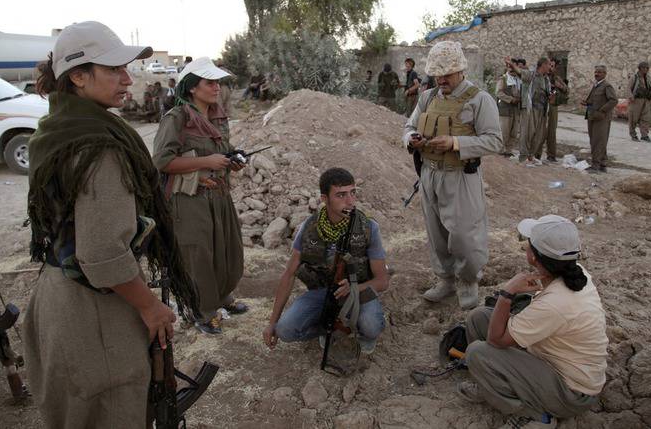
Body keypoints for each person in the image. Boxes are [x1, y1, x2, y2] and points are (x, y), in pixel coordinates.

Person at [23, 21, 200, 428]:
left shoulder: (56, 131)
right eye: (114, 70)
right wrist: (150, 307)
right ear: (79, 77)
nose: (127, 79)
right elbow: (102, 254)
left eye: (128, 68)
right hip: (93, 314)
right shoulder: (100, 147)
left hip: (58, 297)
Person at [457, 215, 608, 429]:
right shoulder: (576, 272)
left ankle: (534, 414)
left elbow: (496, 339)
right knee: (478, 318)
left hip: (572, 392)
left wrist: (507, 293)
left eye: (528, 244)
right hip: (554, 362)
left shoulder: (555, 303)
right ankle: (490, 383)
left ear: (533, 257)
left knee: (477, 352)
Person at [403, 41, 502, 309]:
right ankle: (445, 280)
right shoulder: (428, 97)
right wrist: (411, 139)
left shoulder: (479, 100)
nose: (442, 79)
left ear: (461, 71)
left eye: (447, 74)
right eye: (438, 74)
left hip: (460, 177)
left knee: (465, 236)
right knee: (436, 234)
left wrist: (456, 143)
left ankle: (468, 282)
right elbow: (410, 125)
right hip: (429, 175)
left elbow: (495, 141)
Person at [153, 57, 248, 335]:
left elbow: (223, 148)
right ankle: (202, 311)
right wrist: (206, 162)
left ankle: (222, 297)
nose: (216, 87)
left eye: (217, 82)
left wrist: (233, 158)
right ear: (192, 88)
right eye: (210, 82)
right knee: (199, 256)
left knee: (225, 249)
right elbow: (161, 161)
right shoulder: (177, 118)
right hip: (190, 199)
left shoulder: (217, 115)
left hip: (218, 195)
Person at [262, 168, 389, 354]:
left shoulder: (368, 227)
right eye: (341, 195)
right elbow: (289, 274)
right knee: (285, 330)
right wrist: (272, 322)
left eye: (353, 193)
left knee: (371, 325)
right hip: (323, 291)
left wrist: (354, 288)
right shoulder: (310, 226)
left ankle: (363, 335)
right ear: (324, 199)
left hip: (359, 292)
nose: (350, 201)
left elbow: (382, 281)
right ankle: (328, 328)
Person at [506, 57, 552, 167]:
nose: (550, 67)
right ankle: (523, 157)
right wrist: (511, 64)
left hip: (542, 110)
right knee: (527, 133)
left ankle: (531, 156)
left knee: (538, 135)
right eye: (549, 65)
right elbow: (519, 71)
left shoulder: (546, 79)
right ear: (543, 65)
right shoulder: (531, 75)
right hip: (530, 109)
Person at [581, 66, 617, 173]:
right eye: (596, 72)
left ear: (605, 74)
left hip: (601, 118)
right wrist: (587, 103)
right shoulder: (596, 86)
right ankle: (602, 163)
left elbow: (613, 100)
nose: (597, 74)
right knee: (596, 141)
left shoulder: (607, 86)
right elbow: (595, 100)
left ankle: (596, 164)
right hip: (593, 116)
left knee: (598, 141)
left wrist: (602, 110)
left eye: (600, 72)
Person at [538, 59, 569, 162]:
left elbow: (567, 90)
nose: (550, 68)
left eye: (552, 66)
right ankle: (536, 154)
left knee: (551, 131)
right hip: (541, 105)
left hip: (552, 106)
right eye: (548, 65)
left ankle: (551, 155)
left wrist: (559, 86)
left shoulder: (556, 78)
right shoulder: (541, 77)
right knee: (540, 131)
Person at [496, 59, 523, 157]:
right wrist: (511, 99)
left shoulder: (518, 80)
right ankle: (501, 149)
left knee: (514, 132)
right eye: (510, 67)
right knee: (505, 131)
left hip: (515, 110)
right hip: (505, 110)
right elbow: (499, 93)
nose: (512, 69)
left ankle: (509, 150)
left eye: (514, 67)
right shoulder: (503, 79)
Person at [627, 61, 651, 142]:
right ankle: (633, 135)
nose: (646, 69)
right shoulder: (634, 77)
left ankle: (644, 135)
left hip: (646, 100)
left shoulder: (648, 78)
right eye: (644, 68)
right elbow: (628, 88)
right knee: (633, 118)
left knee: (645, 118)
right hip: (636, 100)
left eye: (647, 68)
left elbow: (650, 88)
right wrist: (631, 96)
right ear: (640, 68)